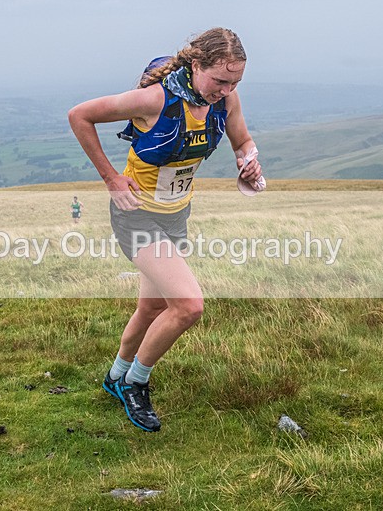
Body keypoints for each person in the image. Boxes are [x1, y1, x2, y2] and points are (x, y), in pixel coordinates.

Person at [68, 28, 262, 432]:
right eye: (220, 80)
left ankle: (115, 376)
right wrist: (110, 179)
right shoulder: (155, 99)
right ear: (196, 66)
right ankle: (136, 383)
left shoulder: (225, 100)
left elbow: (242, 140)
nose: (225, 90)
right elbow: (79, 115)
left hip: (176, 214)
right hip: (135, 213)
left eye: (235, 82)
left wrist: (248, 162)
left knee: (153, 306)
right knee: (188, 305)